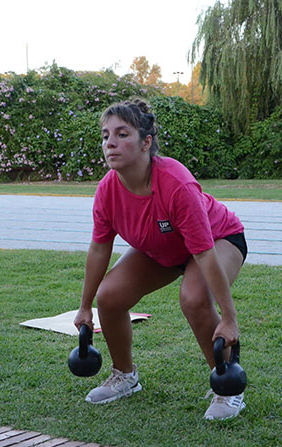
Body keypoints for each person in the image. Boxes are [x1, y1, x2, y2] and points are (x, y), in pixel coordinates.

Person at [73, 97, 247, 421]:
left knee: (194, 297)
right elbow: (99, 248)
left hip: (219, 238)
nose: (110, 142)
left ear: (146, 142)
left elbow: (204, 253)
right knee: (108, 296)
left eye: (122, 134)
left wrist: (229, 317)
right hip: (163, 247)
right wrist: (85, 307)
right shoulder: (107, 191)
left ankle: (228, 387)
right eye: (105, 135)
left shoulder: (175, 183)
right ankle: (125, 376)